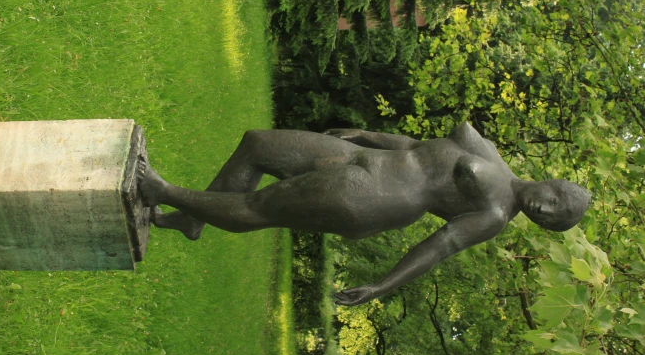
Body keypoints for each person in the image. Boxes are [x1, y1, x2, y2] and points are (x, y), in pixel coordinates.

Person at [137, 123, 591, 306]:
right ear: (553, 183)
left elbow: (440, 247)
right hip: (363, 157)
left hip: (376, 196)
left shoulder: (494, 214)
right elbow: (418, 149)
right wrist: (367, 135)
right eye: (553, 202)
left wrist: (380, 285)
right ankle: (195, 218)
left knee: (262, 207)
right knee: (258, 144)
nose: (542, 211)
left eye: (550, 219)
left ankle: (166, 192)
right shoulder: (491, 153)